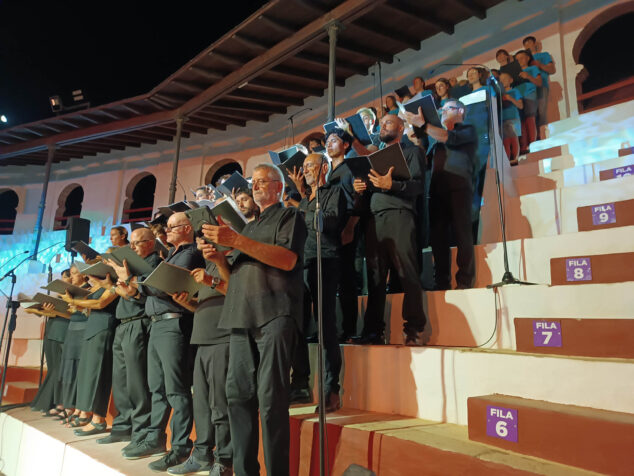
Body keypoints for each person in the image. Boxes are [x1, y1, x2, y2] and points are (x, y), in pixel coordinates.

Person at [201, 163, 306, 476]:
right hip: (241, 316)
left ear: (278, 186)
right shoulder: (247, 227)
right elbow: (233, 280)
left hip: (274, 313)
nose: (256, 186)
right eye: (254, 182)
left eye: (263, 181)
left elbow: (287, 260)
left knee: (271, 400)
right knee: (237, 398)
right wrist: (219, 258)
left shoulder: (290, 216)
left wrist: (235, 241)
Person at [113, 212, 205, 471]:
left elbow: (165, 285)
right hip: (157, 324)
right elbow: (151, 288)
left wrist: (134, 279)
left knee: (176, 389)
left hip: (174, 323)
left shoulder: (189, 253)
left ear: (187, 228)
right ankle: (155, 437)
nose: (167, 231)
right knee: (157, 387)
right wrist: (135, 283)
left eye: (172, 227)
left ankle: (180, 447)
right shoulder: (173, 254)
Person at [348, 114, 427, 345]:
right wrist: (360, 186)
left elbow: (419, 186)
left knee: (407, 272)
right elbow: (368, 187)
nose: (382, 125)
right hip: (374, 218)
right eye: (381, 123)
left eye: (389, 123)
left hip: (399, 215)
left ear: (401, 128)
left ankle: (414, 328)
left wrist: (392, 184)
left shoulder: (412, 152)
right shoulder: (372, 157)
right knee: (375, 278)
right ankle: (373, 331)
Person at [169, 244, 232, 476]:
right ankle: (202, 454)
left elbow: (238, 292)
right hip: (202, 339)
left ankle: (224, 459)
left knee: (220, 404)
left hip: (223, 338)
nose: (205, 243)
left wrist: (213, 277)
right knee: (202, 404)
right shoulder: (207, 266)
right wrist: (185, 302)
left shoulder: (230, 261)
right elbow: (204, 306)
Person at [96, 227, 161, 450]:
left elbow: (146, 295)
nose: (132, 247)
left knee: (137, 383)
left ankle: (140, 432)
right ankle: (122, 427)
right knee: (121, 382)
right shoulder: (131, 265)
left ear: (151, 243)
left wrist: (128, 284)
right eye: (131, 244)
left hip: (139, 322)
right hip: (123, 324)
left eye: (137, 243)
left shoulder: (153, 264)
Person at [406, 100, 477, 290]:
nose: (443, 111)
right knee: (438, 238)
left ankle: (464, 280)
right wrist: (416, 142)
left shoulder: (467, 130)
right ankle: (441, 281)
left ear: (461, 111)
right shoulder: (436, 139)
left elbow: (449, 137)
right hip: (436, 189)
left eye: (449, 108)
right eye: (442, 109)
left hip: (459, 187)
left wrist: (424, 125)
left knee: (462, 233)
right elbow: (426, 163)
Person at [295, 153, 347, 412]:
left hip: (324, 260)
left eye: (310, 166)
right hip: (301, 263)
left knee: (325, 325)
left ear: (324, 168)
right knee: (297, 325)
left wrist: (304, 207)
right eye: (304, 167)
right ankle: (301, 384)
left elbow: (328, 222)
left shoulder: (333, 192)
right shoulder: (305, 200)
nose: (305, 171)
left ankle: (331, 389)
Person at [61, 272, 119, 437]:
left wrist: (73, 301)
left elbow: (101, 304)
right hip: (92, 327)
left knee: (98, 374)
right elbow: (90, 308)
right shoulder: (96, 286)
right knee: (88, 374)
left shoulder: (112, 284)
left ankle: (98, 419)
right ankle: (88, 414)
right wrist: (78, 305)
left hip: (104, 327)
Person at [325, 128, 365, 343]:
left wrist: (350, 226)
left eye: (334, 140)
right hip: (331, 228)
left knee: (347, 279)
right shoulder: (327, 173)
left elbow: (359, 198)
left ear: (346, 145)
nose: (329, 144)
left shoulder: (351, 167)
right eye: (327, 142)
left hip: (348, 224)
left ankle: (349, 329)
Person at [28, 269, 72, 417]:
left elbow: (69, 314)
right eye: (63, 277)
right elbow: (52, 313)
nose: (63, 280)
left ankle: (58, 403)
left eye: (66, 277)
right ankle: (50, 402)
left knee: (60, 369)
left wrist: (48, 312)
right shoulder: (60, 296)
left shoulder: (74, 295)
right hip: (52, 330)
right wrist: (38, 310)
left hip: (64, 332)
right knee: (53, 368)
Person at [523, 35, 556, 138]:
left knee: (541, 112)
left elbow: (552, 70)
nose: (528, 45)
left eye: (530, 42)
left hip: (541, 86)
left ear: (535, 44)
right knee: (530, 115)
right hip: (528, 91)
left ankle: (544, 136)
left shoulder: (544, 55)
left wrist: (539, 65)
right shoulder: (524, 61)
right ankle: (534, 139)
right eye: (526, 44)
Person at [515, 49, 542, 153]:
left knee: (530, 119)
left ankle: (533, 143)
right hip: (518, 99)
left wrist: (528, 76)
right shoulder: (514, 74)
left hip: (530, 96)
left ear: (527, 58)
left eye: (522, 58)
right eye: (517, 59)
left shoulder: (533, 68)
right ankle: (524, 146)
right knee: (521, 122)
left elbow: (539, 83)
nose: (520, 61)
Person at [499, 72, 524, 164]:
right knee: (505, 140)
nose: (502, 81)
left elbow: (521, 105)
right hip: (502, 120)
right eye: (500, 80)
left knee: (513, 138)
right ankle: (508, 160)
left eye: (505, 79)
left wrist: (510, 99)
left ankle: (515, 158)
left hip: (513, 118)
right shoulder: (498, 95)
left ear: (511, 80)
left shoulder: (515, 91)